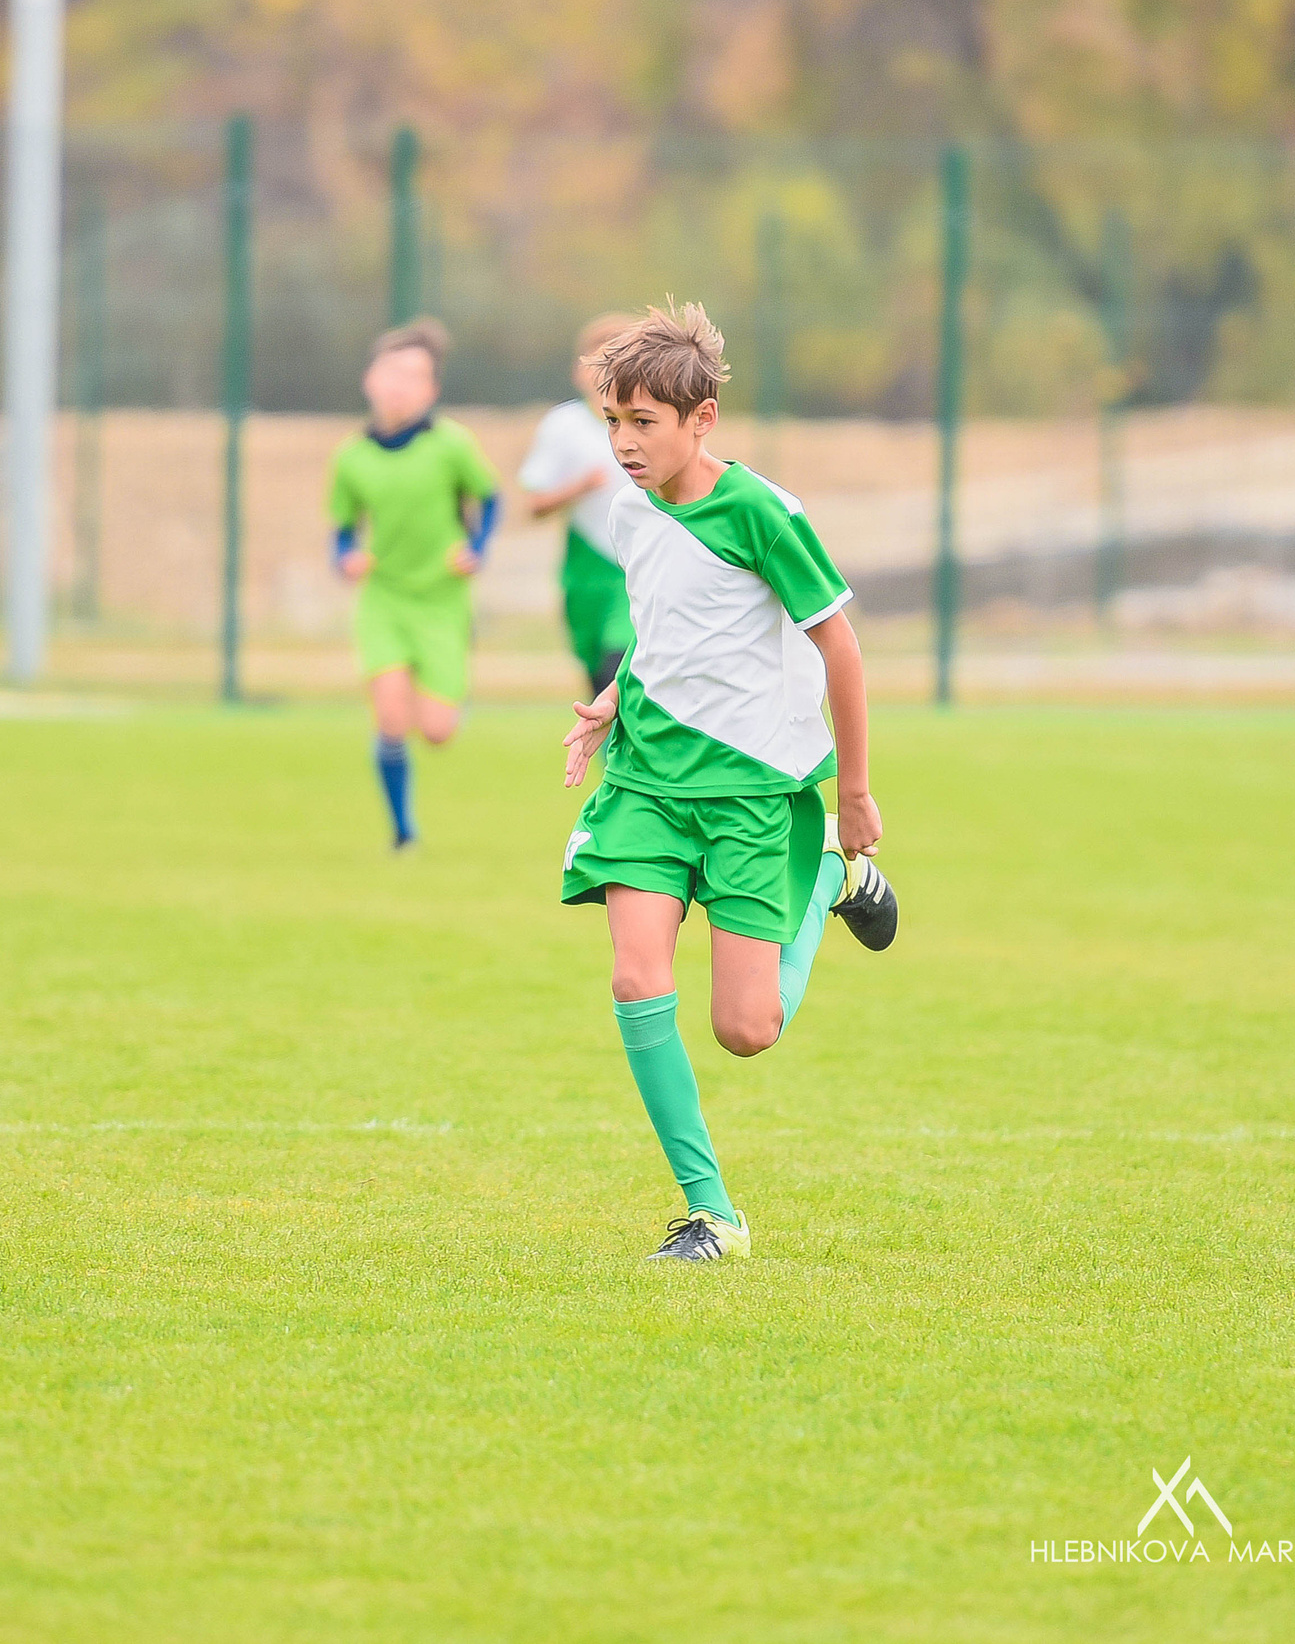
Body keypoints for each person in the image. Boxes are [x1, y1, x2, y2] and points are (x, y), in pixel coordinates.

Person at [557, 302, 899, 1263]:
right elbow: (662, 626)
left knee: (747, 1030)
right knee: (635, 976)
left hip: (749, 795)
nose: (623, 444)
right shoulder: (627, 510)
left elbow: (840, 647)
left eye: (643, 423)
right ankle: (712, 1214)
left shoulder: (762, 513)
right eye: (613, 421)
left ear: (701, 419)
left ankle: (829, 876)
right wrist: (613, 697)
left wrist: (854, 794)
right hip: (647, 786)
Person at [325, 318, 501, 849]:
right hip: (384, 598)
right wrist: (345, 557)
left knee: (438, 732)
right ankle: (403, 830)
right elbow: (342, 528)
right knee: (391, 718)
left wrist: (476, 548)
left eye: (414, 376)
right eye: (392, 373)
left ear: (432, 391)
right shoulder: (351, 457)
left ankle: (455, 675)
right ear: (369, 380)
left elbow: (489, 497)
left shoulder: (452, 445)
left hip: (442, 597)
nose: (400, 385)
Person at [518, 312, 637, 694]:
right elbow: (534, 504)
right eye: (596, 364)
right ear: (579, 372)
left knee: (621, 665)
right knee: (596, 672)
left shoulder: (650, 423)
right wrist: (578, 488)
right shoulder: (563, 425)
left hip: (634, 566)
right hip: (585, 569)